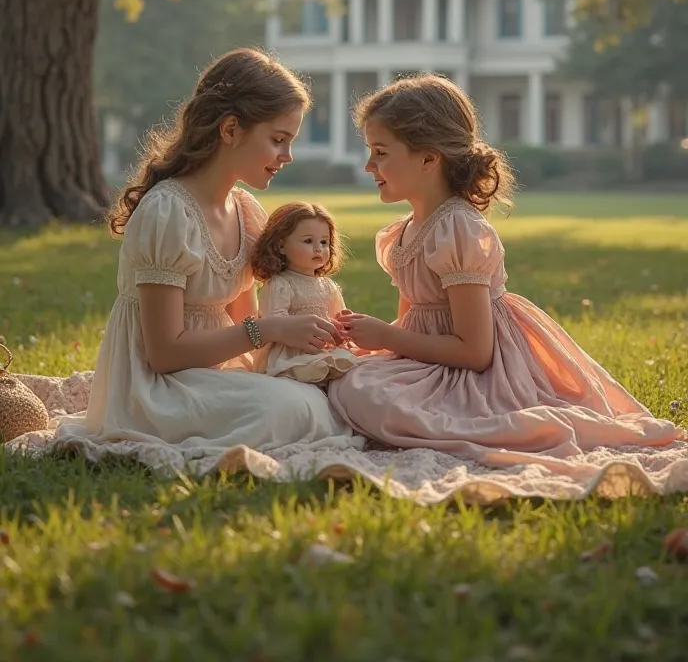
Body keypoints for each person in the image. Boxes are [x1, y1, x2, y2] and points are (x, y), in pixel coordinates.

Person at [329, 74, 684, 465]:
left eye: (380, 152)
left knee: (370, 396)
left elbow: (476, 352)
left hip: (481, 374)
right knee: (353, 380)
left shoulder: (457, 230)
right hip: (432, 363)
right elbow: (411, 324)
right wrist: (376, 341)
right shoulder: (404, 231)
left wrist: (385, 337)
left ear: (429, 158)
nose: (368, 165)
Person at [54, 48, 361, 467]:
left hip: (213, 375)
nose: (287, 157)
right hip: (156, 387)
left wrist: (303, 351)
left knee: (316, 396)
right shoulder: (168, 212)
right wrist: (270, 329)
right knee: (290, 408)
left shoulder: (246, 213)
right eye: (278, 140)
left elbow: (244, 325)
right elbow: (164, 353)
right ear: (231, 129)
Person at [251, 201, 358, 383]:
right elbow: (274, 322)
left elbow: (336, 315)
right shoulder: (281, 284)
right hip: (290, 351)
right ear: (280, 246)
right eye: (308, 241)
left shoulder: (327, 286)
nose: (318, 248)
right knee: (316, 365)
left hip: (322, 347)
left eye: (324, 242)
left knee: (347, 361)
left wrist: (342, 327)